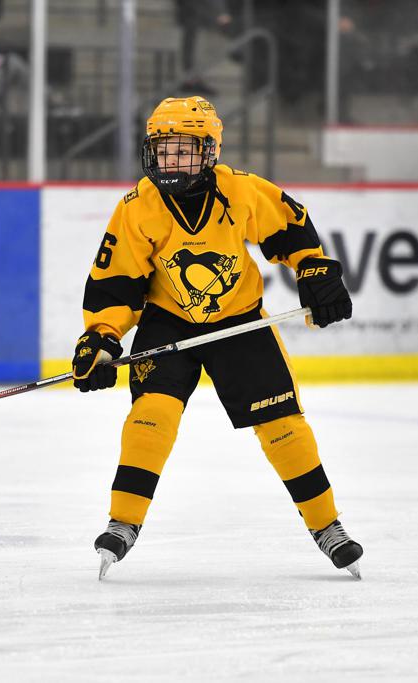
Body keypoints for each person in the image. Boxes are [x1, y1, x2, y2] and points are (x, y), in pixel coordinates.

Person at [71, 96, 363, 580]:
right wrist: (101, 336)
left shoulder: (240, 190)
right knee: (151, 416)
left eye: (183, 149)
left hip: (238, 322)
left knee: (282, 425)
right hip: (168, 322)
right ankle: (123, 521)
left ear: (209, 152)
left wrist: (313, 267)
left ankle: (327, 525)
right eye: (163, 149)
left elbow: (289, 226)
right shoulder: (138, 207)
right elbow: (115, 282)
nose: (171, 161)